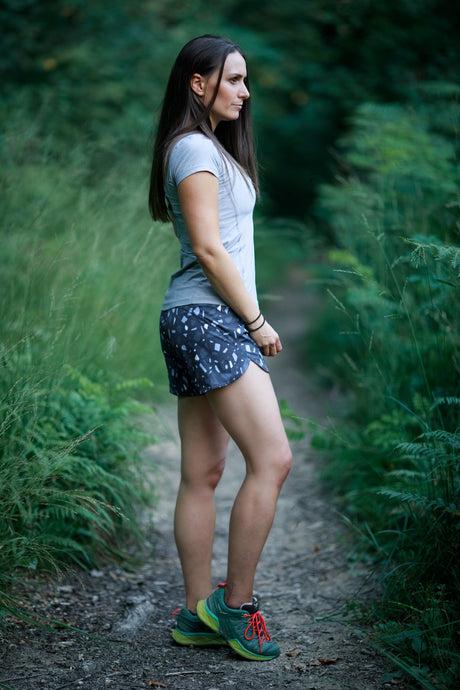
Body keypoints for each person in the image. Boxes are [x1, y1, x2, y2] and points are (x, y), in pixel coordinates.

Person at [149, 34, 292, 662]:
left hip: (194, 317)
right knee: (273, 458)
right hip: (211, 319)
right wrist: (256, 321)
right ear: (197, 83)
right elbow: (208, 249)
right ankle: (236, 608)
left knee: (203, 473)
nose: (245, 91)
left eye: (244, 79)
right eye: (233, 79)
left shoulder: (208, 147)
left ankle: (195, 613)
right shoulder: (193, 149)